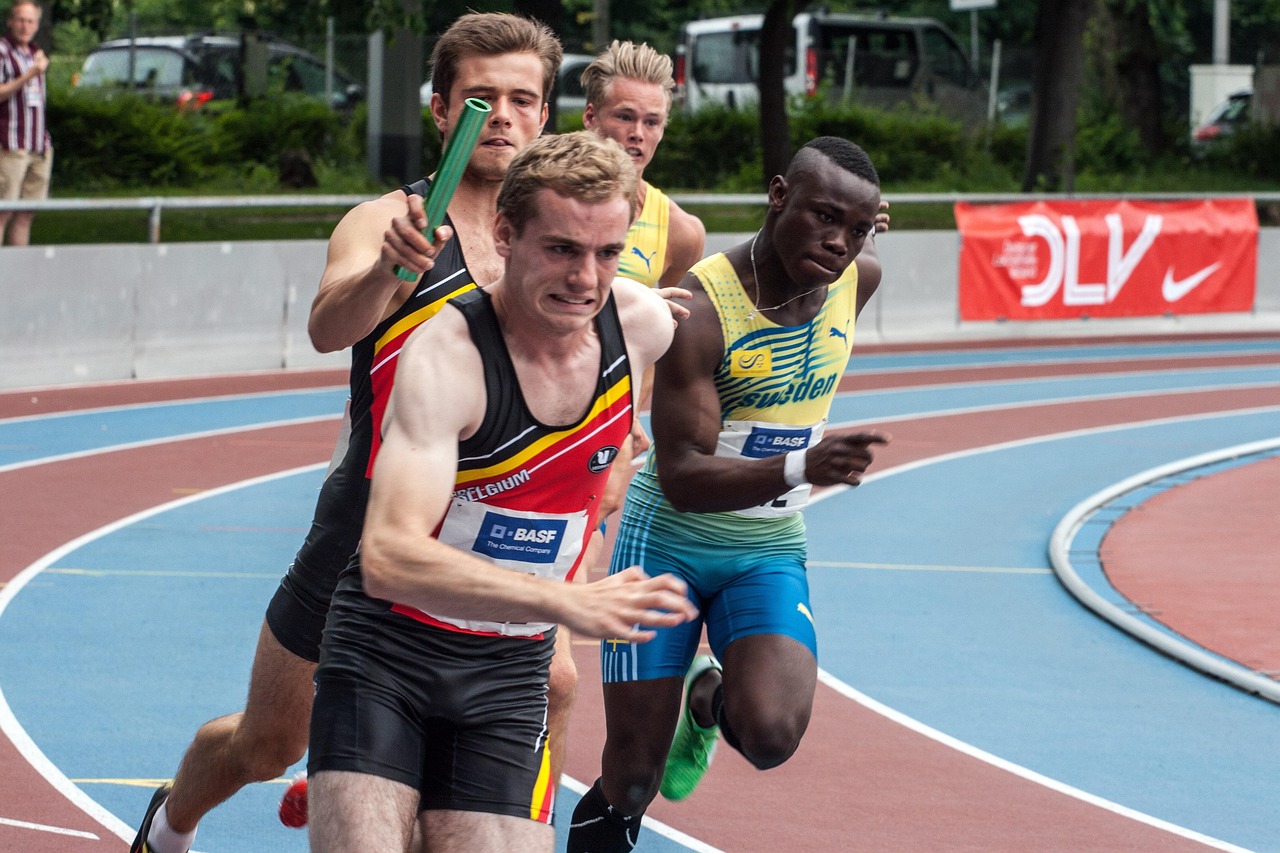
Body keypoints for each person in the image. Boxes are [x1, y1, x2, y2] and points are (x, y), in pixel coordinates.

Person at [130, 12, 567, 853]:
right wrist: (388, 275)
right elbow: (330, 326)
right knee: (267, 744)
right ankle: (171, 818)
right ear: (441, 109)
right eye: (482, 98)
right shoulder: (387, 221)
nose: (503, 116)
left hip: (490, 551)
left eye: (522, 99)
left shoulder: (556, 243)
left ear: (545, 115)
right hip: (362, 535)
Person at [306, 129, 698, 853]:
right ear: (507, 234)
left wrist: (615, 466)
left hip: (506, 677)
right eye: (561, 249)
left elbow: (632, 426)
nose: (586, 277)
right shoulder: (446, 354)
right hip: (388, 654)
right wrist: (567, 598)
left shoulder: (639, 325)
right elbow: (388, 555)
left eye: (607, 253)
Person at [567, 136, 891, 853]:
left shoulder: (859, 277)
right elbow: (682, 474)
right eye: (820, 217)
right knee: (632, 778)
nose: (836, 242)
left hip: (767, 547)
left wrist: (857, 217)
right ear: (778, 196)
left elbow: (847, 235)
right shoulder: (701, 313)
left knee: (772, 735)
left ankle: (706, 697)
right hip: (670, 543)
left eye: (856, 228)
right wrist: (801, 467)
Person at [578, 39, 704, 569]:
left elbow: (661, 336)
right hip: (514, 414)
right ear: (591, 117)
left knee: (571, 584)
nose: (637, 133)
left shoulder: (679, 231)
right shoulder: (535, 189)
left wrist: (628, 416)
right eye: (625, 116)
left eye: (652, 121)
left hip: (601, 429)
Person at [0, 0, 51, 246]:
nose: (25, 26)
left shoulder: (35, 53)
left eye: (30, 21)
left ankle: (16, 273)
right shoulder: (2, 51)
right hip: (11, 143)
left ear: (37, 24)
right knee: (3, 211)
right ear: (10, 21)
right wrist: (29, 75)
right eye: (20, 20)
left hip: (38, 145)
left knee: (26, 213)